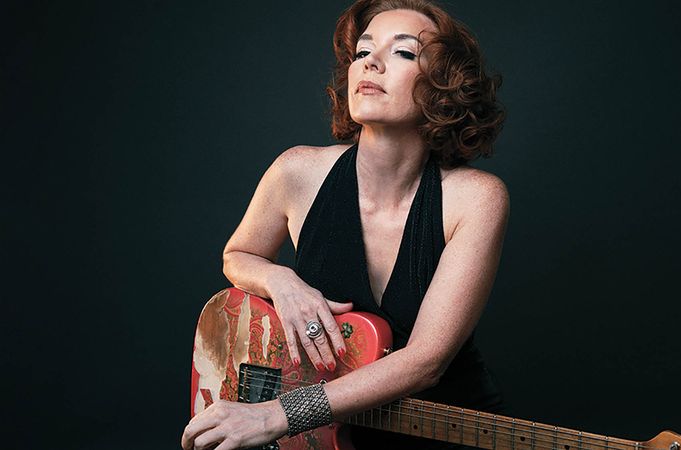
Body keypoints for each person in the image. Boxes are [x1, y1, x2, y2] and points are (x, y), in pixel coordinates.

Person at [182, 0, 507, 448]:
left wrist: (278, 415)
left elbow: (425, 362)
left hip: (444, 433)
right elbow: (238, 255)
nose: (370, 62)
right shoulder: (296, 171)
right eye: (362, 52)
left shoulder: (476, 198)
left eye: (404, 52)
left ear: (444, 88)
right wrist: (282, 281)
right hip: (324, 437)